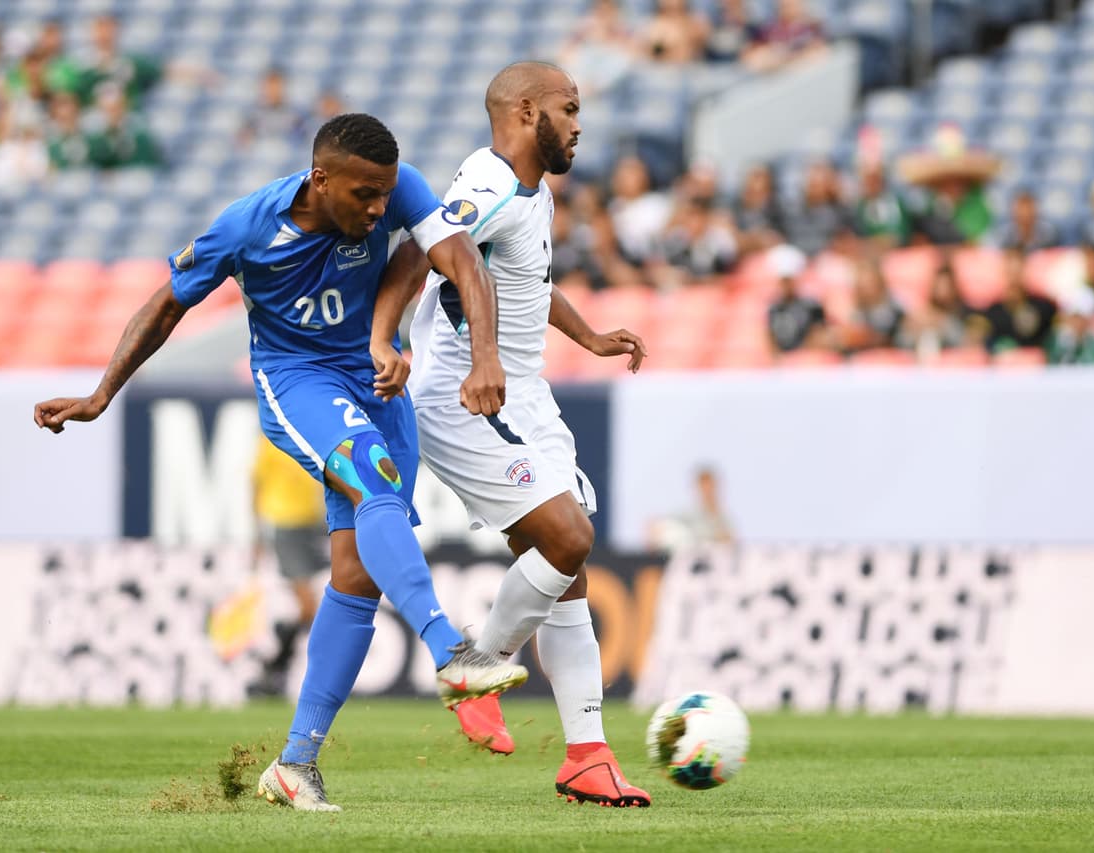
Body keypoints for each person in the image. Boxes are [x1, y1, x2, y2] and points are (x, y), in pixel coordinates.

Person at [33, 113, 527, 812]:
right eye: (364, 196)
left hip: (377, 381)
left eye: (386, 194)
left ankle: (296, 764)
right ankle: (451, 651)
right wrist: (100, 393)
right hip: (299, 380)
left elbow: (463, 261)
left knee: (357, 573)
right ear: (320, 180)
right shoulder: (246, 227)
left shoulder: (398, 186)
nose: (379, 209)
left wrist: (483, 357)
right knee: (377, 482)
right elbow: (164, 306)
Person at [376, 61, 651, 807]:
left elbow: (529, 281)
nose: (579, 122)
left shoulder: (535, 192)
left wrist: (589, 337)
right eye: (569, 107)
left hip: (524, 395)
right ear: (527, 111)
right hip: (466, 396)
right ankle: (477, 664)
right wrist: (387, 339)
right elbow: (418, 251)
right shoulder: (486, 182)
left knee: (567, 567)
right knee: (567, 538)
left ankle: (587, 755)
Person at [251, 436, 328, 696]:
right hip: (286, 525)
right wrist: (257, 536)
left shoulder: (308, 429)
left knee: (321, 604)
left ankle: (276, 666)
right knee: (309, 607)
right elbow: (256, 485)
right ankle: (275, 667)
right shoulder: (270, 439)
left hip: (316, 526)